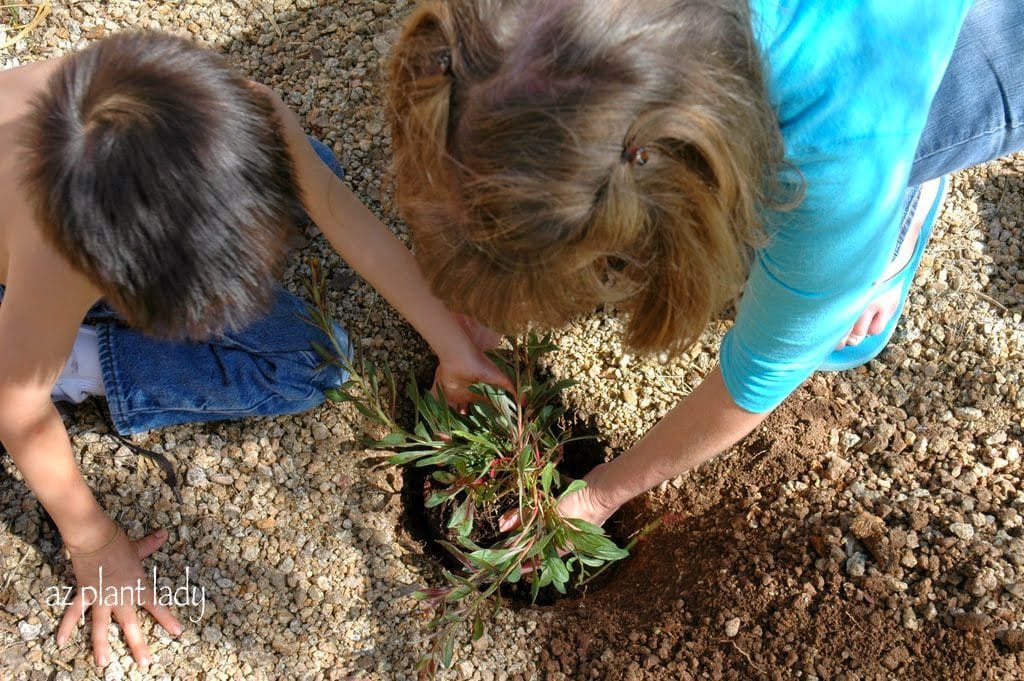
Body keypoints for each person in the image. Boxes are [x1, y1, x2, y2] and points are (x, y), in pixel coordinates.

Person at [386, 0, 1022, 529]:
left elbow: (759, 378)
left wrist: (602, 492)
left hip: (973, 36)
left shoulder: (834, 152)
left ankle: (896, 225)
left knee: (838, 328)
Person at [0, 31, 507, 669]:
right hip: (15, 279)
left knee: (316, 162)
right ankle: (75, 363)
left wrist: (451, 344)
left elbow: (332, 203)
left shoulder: (240, 109)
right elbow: (15, 406)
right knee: (310, 364)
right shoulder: (58, 258)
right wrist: (93, 542)